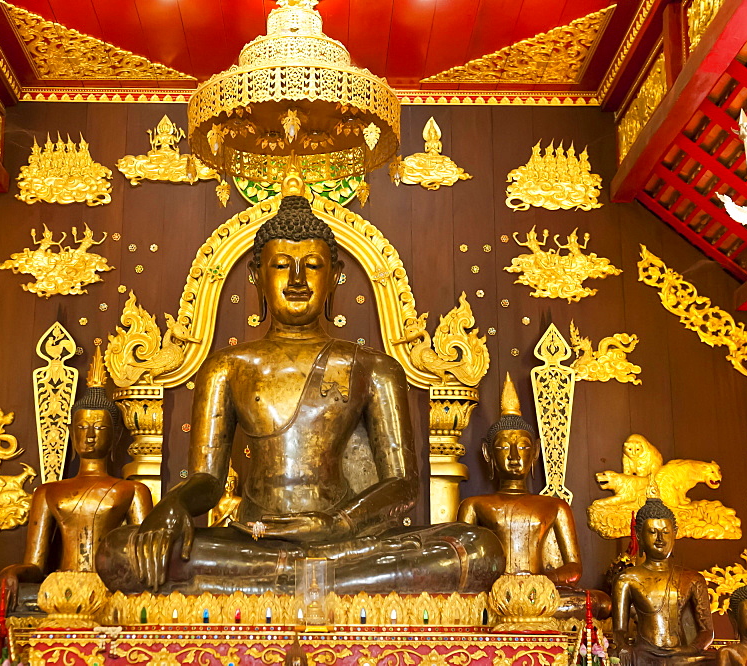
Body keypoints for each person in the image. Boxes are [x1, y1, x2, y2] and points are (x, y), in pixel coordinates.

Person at [96, 189, 504, 595]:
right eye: (280, 266)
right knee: (119, 552)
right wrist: (174, 505)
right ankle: (317, 581)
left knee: (478, 547)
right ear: (257, 276)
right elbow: (207, 479)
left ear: (335, 276)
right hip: (253, 540)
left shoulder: (373, 367)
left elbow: (403, 484)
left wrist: (339, 523)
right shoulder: (227, 367)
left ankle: (275, 583)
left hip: (345, 542)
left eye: (311, 265)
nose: (296, 280)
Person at [0, 344, 153, 610]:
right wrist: (11, 572)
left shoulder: (133, 490)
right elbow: (35, 564)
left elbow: (143, 559)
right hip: (59, 591)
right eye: (82, 427)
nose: (90, 435)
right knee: (21, 598)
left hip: (111, 589)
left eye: (100, 427)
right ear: (71, 433)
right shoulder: (47, 492)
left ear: (114, 435)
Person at [457, 373, 610, 619]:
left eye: (524, 447)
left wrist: (540, 580)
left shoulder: (555, 506)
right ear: (488, 454)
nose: (515, 456)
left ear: (536, 451)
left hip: (539, 592)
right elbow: (463, 563)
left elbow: (573, 567)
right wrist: (499, 583)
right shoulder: (474, 505)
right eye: (504, 447)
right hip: (495, 594)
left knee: (600, 603)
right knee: (465, 603)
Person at [612, 497, 714, 665]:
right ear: (639, 536)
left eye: (665, 532)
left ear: (675, 533)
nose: (660, 538)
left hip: (681, 655)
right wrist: (623, 646)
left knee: (721, 659)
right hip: (645, 653)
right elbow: (619, 630)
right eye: (652, 532)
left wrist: (688, 649)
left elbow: (707, 631)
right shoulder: (627, 579)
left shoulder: (693, 579)